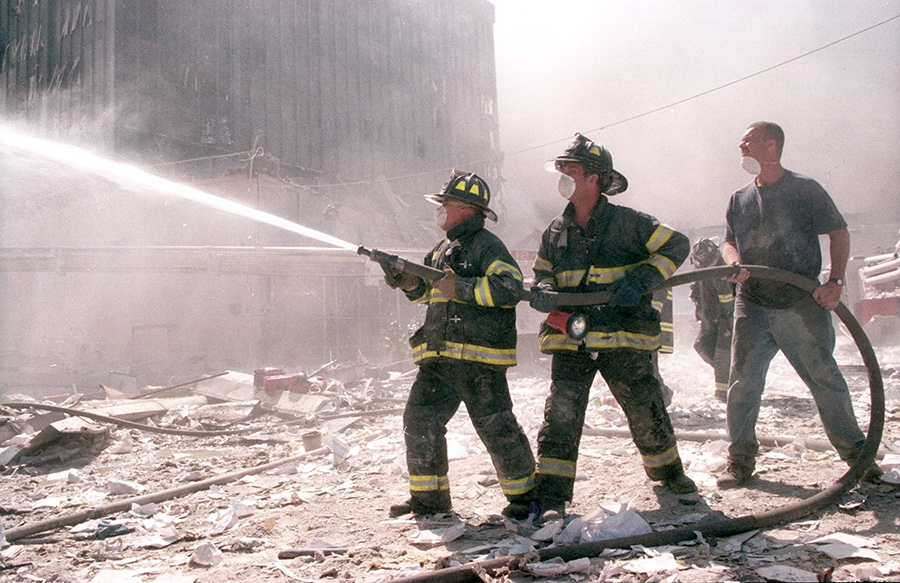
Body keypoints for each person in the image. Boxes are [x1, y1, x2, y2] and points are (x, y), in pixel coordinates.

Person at [528, 134, 697, 522]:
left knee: (645, 409)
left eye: (571, 171)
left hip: (624, 337)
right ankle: (552, 494)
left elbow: (677, 245)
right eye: (563, 171)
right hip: (572, 337)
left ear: (595, 179)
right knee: (561, 415)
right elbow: (542, 274)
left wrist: (642, 278)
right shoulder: (555, 230)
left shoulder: (630, 223)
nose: (564, 178)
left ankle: (669, 475)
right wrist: (544, 290)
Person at [717, 121, 882, 488]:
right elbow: (729, 241)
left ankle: (858, 456)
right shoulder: (739, 198)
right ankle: (740, 459)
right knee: (743, 383)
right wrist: (733, 262)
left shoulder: (805, 190)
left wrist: (835, 282)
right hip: (753, 304)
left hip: (800, 303)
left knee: (824, 378)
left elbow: (838, 231)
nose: (741, 146)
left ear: (772, 145)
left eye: (749, 140)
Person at [383, 169, 538, 519]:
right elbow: (426, 293)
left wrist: (463, 288)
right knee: (419, 420)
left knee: (496, 427)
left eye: (446, 204)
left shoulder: (488, 246)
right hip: (439, 358)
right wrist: (406, 281)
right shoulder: (441, 250)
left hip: (478, 359)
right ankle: (429, 500)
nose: (440, 210)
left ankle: (527, 499)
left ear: (467, 209)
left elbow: (509, 288)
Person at [687, 238, 734, 403]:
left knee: (722, 355)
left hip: (725, 320)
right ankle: (736, 375)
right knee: (701, 346)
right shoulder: (703, 272)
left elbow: (728, 299)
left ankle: (723, 394)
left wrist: (730, 321)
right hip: (710, 320)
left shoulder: (721, 271)